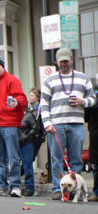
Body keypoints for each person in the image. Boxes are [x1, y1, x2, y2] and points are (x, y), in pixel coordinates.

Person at [40, 47, 96, 200]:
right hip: (56, 124)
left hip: (76, 123)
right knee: (56, 157)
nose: (64, 64)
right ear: (57, 62)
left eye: (66, 60)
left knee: (76, 158)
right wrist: (47, 123)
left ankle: (74, 188)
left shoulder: (82, 78)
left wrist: (82, 101)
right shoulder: (50, 80)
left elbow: (93, 98)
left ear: (72, 60)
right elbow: (44, 103)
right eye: (61, 61)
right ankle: (58, 189)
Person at [0, 57, 28, 197]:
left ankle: (15, 186)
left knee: (13, 156)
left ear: (3, 66)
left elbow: (23, 99)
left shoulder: (12, 80)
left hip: (10, 123)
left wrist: (17, 101)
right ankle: (1, 186)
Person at [19, 106, 37, 196]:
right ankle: (15, 186)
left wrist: (25, 138)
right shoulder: (13, 115)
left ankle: (30, 188)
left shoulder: (29, 115)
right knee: (14, 164)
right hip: (15, 143)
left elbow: (34, 128)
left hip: (26, 143)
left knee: (27, 165)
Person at [86, 73, 98, 202]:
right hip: (95, 132)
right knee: (96, 163)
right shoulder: (93, 96)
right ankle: (97, 192)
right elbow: (86, 116)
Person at [29, 87, 46, 161]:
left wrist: (43, 135)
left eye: (32, 96)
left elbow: (42, 122)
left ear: (37, 98)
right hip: (29, 135)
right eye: (30, 95)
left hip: (37, 135)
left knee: (32, 156)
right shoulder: (29, 108)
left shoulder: (41, 108)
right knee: (28, 157)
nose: (30, 97)